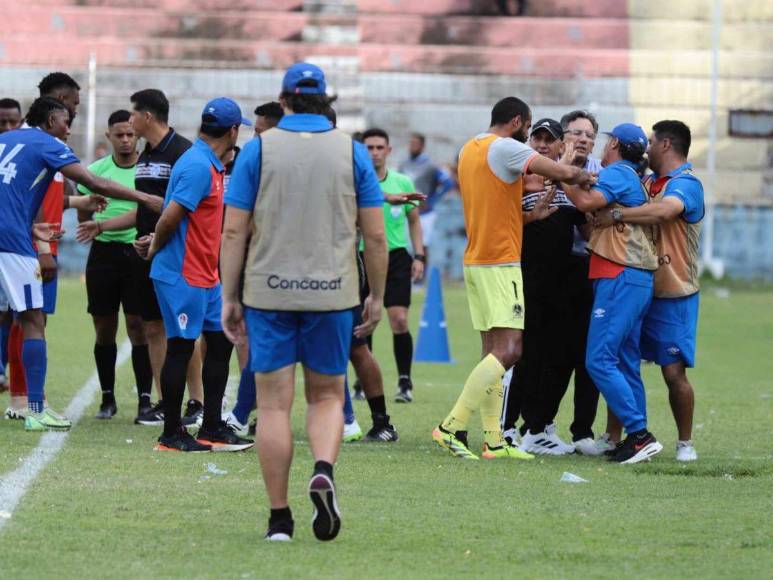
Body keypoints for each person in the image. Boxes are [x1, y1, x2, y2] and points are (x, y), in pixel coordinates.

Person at [220, 62, 387, 541]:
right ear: (326, 101)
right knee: (328, 395)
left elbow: (234, 229)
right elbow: (374, 235)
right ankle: (323, 469)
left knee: (272, 407)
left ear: (284, 98)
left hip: (267, 291)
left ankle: (279, 519)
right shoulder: (352, 152)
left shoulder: (258, 149)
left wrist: (229, 296)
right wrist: (374, 294)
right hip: (332, 294)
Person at [432, 96, 595, 460]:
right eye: (529, 127)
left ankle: (493, 440)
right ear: (518, 121)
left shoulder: (470, 149)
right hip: (499, 264)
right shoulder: (505, 147)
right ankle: (450, 426)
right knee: (511, 350)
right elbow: (560, 172)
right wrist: (581, 172)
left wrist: (529, 219)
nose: (529, 136)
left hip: (477, 259)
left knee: (493, 352)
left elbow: (492, 208)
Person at [0, 96, 158, 431]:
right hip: (11, 243)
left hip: (12, 236)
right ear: (50, 119)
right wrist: (145, 198)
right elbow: (95, 182)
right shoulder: (48, 144)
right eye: (65, 120)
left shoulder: (5, 139)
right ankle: (36, 408)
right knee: (32, 320)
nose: (69, 127)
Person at [138, 97, 254, 453]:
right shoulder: (197, 166)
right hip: (183, 272)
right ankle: (172, 433)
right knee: (181, 347)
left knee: (220, 342)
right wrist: (155, 248)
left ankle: (213, 428)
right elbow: (171, 216)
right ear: (233, 131)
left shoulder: (211, 165)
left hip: (206, 274)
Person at [594, 120, 704, 462]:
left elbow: (664, 212)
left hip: (674, 291)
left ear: (667, 145)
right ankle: (617, 436)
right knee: (620, 360)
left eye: (652, 141)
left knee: (673, 372)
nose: (646, 148)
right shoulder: (643, 181)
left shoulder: (687, 184)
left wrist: (619, 214)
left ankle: (685, 442)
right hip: (639, 284)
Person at [562, 123, 663, 464]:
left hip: (620, 275)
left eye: (605, 142)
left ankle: (639, 433)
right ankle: (638, 439)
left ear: (616, 144)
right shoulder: (628, 174)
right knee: (624, 361)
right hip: (633, 278)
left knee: (599, 359)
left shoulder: (619, 172)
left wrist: (562, 173)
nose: (601, 149)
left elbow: (586, 201)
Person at [503, 118, 579, 455]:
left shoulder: (569, 191)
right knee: (520, 355)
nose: (543, 144)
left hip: (560, 287)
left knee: (556, 357)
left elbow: (590, 228)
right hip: (523, 284)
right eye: (538, 139)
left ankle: (536, 428)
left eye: (551, 140)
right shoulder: (515, 183)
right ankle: (504, 428)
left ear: (561, 146)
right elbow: (499, 224)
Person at [128, 89, 202, 427]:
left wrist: (157, 237)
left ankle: (197, 401)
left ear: (147, 116)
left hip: (174, 251)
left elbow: (181, 208)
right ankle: (164, 399)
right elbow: (146, 205)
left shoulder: (182, 152)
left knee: (183, 329)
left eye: (133, 114)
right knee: (153, 326)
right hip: (147, 250)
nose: (129, 121)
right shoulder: (147, 153)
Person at [75, 110, 153, 420]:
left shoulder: (146, 171)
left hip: (137, 253)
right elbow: (83, 206)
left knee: (138, 326)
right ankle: (107, 399)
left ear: (138, 136)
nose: (124, 140)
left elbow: (144, 212)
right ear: (109, 136)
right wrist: (92, 226)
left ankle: (145, 400)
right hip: (103, 255)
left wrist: (101, 226)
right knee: (104, 327)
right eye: (118, 134)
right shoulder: (96, 171)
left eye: (129, 134)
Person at [360, 127, 424, 403]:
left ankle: (404, 380)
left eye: (379, 147)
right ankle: (363, 381)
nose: (374, 152)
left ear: (388, 150)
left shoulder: (402, 182)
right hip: (363, 256)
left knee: (398, 319)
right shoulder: (358, 182)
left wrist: (419, 255)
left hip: (397, 256)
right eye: (369, 147)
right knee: (364, 321)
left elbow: (414, 220)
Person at [398, 133, 452, 264]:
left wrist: (432, 200)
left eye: (415, 144)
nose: (412, 146)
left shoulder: (430, 166)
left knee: (422, 244)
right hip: (405, 210)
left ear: (422, 146)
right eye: (411, 143)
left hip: (424, 213)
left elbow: (448, 183)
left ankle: (421, 275)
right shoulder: (403, 165)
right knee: (405, 244)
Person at [0, 97, 22, 394]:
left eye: (12, 122)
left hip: (14, 247)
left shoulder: (26, 156)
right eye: (1, 123)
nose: (7, 128)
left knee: (13, 312)